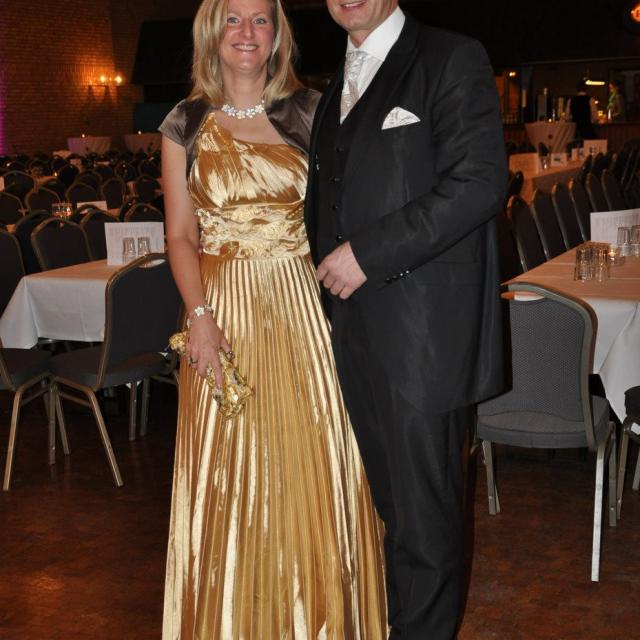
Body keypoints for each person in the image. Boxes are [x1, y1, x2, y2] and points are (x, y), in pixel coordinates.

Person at [158, 0, 387, 637]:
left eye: (260, 20)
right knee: (229, 474)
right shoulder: (184, 123)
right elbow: (180, 236)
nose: (246, 32)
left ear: (278, 34)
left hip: (303, 307)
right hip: (220, 312)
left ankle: (319, 621)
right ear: (212, 32)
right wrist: (199, 318)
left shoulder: (314, 111)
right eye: (233, 19)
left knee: (313, 466)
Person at [304, 0, 507, 637]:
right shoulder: (334, 84)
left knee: (425, 525)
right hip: (355, 330)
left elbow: (479, 182)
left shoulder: (450, 57)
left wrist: (367, 254)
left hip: (425, 338)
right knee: (394, 513)